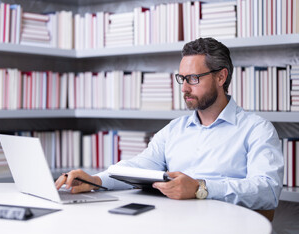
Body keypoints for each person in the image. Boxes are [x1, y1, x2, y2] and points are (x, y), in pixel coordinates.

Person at [55, 37, 284, 210]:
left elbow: (267, 190)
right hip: (172, 224)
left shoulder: (256, 130)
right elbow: (138, 167)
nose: (184, 88)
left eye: (193, 79)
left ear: (221, 77)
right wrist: (95, 180)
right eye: (182, 79)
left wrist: (200, 188)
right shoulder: (174, 129)